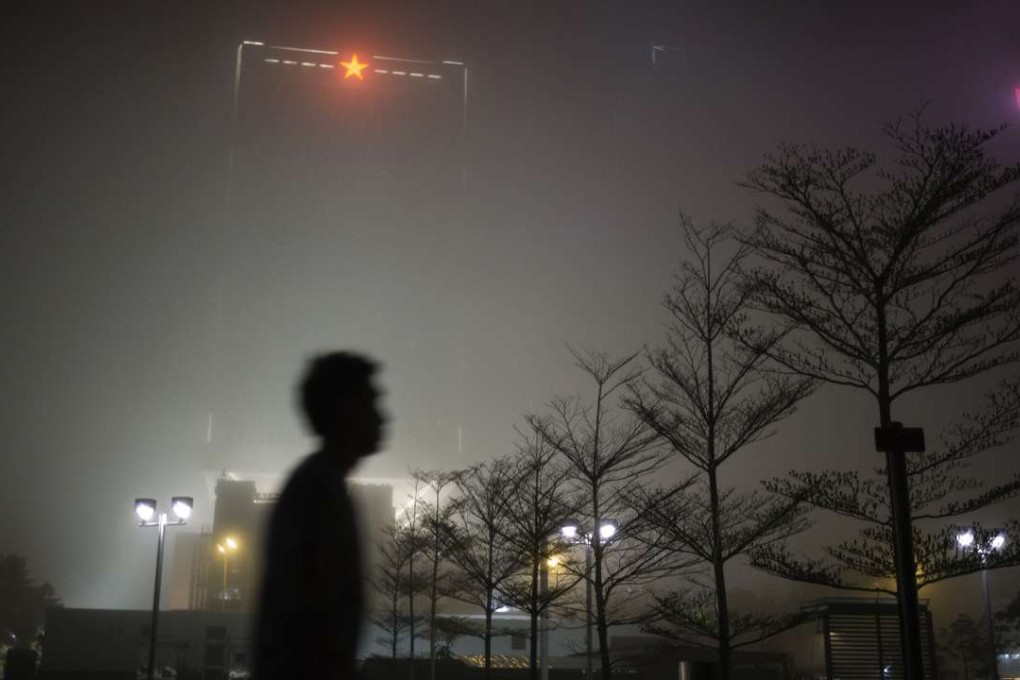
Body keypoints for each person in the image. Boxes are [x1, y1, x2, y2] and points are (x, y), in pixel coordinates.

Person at [252, 352, 386, 680]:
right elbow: (314, 620)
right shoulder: (318, 492)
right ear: (347, 410)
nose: (383, 417)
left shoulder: (320, 484)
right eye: (371, 403)